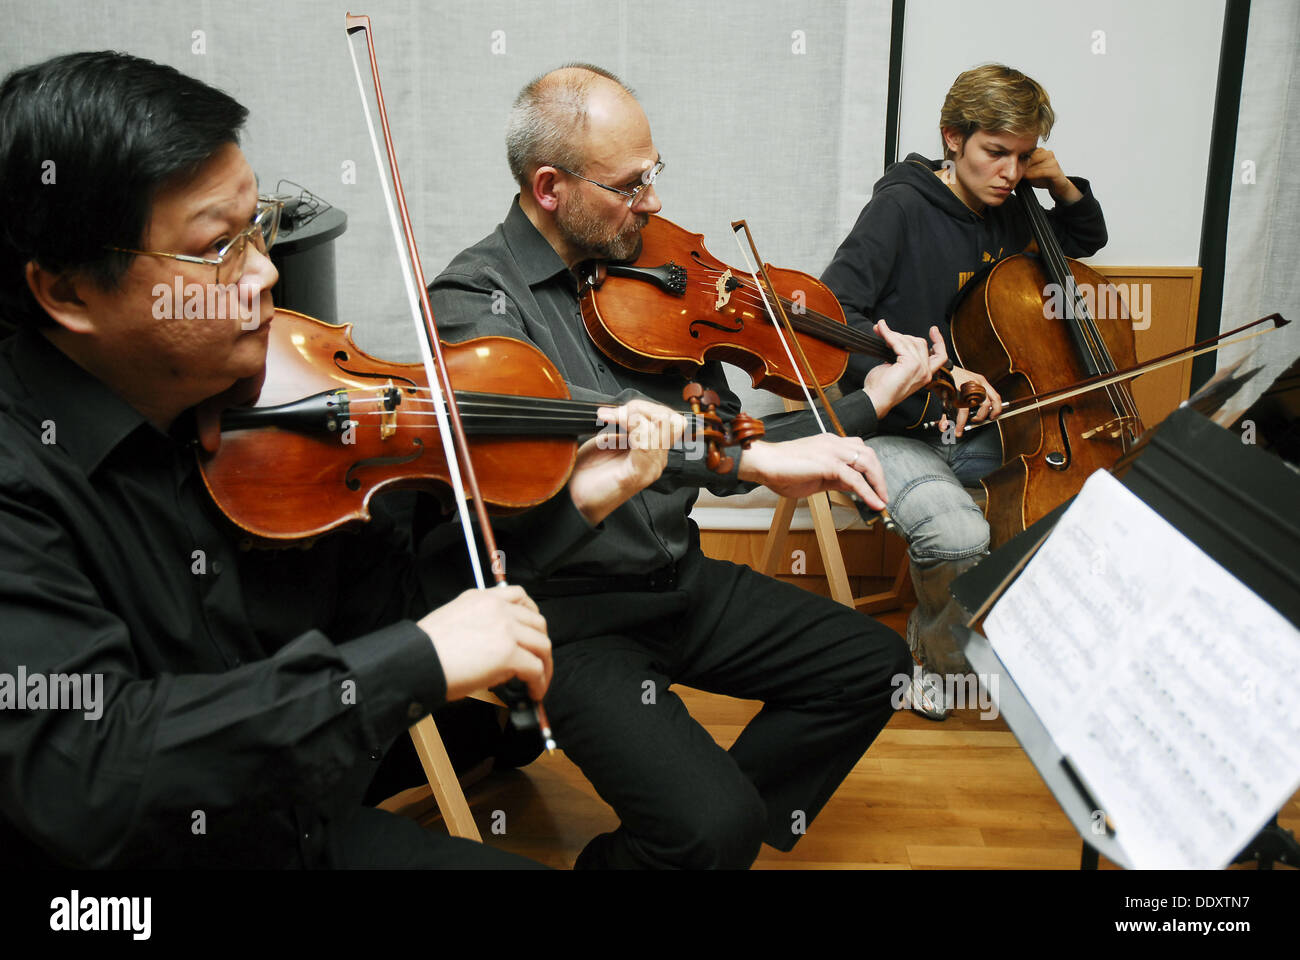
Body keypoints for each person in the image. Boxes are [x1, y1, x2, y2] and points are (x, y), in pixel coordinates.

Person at [0, 51, 684, 869]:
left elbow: (387, 606)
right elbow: (89, 770)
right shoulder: (22, 480)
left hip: (286, 819)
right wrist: (411, 663)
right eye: (219, 248)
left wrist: (578, 502)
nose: (264, 274)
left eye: (261, 227)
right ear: (68, 293)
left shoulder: (230, 408)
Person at [426, 64, 947, 869]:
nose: (655, 202)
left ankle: (702, 827)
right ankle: (701, 832)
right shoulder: (473, 305)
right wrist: (757, 455)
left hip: (682, 583)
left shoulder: (657, 271)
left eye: (655, 173)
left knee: (874, 666)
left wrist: (868, 400)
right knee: (712, 827)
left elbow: (730, 437)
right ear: (551, 186)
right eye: (631, 184)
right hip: (570, 614)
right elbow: (606, 432)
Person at [821, 63, 1109, 719]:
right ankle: (933, 650)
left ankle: (1024, 651)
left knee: (1064, 515)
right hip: (898, 429)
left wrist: (1057, 182)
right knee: (956, 535)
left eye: (1023, 156)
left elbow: (1086, 238)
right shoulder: (900, 208)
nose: (1010, 172)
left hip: (982, 427)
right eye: (995, 152)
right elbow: (837, 313)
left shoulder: (1015, 211)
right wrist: (943, 372)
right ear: (953, 138)